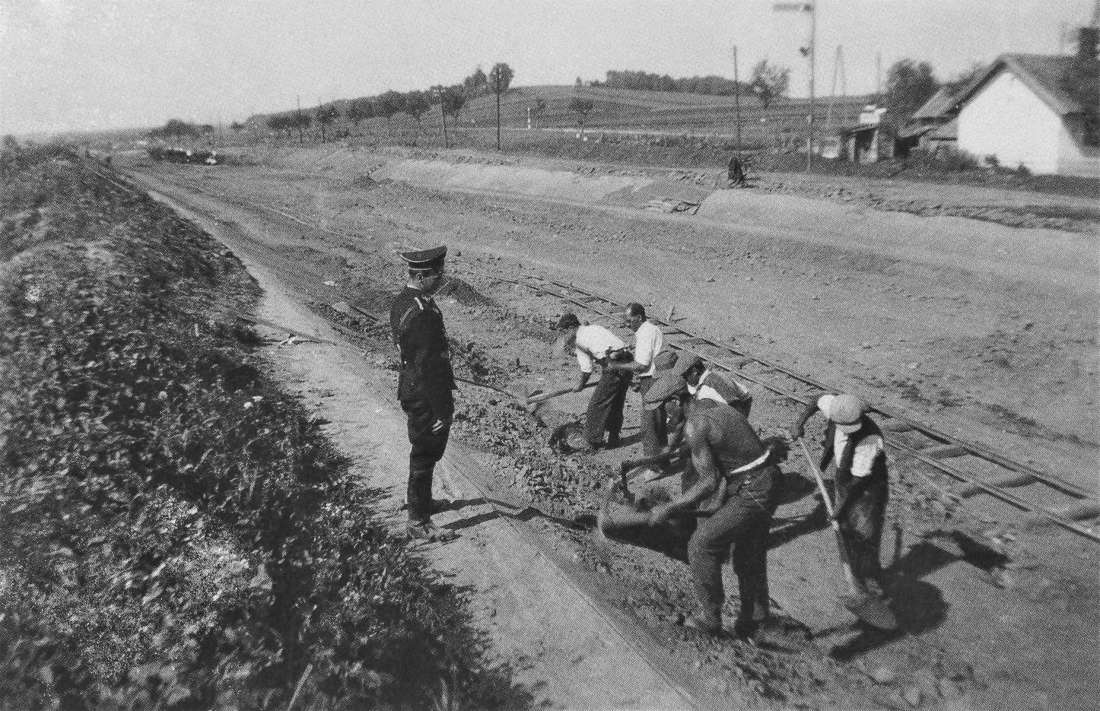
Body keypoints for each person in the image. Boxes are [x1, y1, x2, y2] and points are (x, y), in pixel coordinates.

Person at [644, 372, 780, 638]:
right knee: (746, 555)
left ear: (674, 399)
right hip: (768, 478)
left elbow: (708, 482)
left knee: (701, 544)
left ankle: (710, 618)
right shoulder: (712, 404)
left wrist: (669, 508)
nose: (663, 416)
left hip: (753, 488)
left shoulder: (696, 425)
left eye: (662, 408)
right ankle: (755, 621)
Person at [789, 393, 889, 599]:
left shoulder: (870, 438)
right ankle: (855, 577)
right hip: (844, 476)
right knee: (845, 529)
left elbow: (858, 482)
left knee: (865, 532)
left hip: (868, 487)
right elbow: (818, 399)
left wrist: (839, 508)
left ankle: (871, 581)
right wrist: (799, 423)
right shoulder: (836, 407)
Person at [389, 246, 457, 542]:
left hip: (414, 386)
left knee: (426, 451)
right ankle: (418, 521)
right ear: (421, 275)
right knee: (425, 452)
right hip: (425, 393)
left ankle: (423, 503)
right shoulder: (421, 312)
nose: (441, 278)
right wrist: (441, 409)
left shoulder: (406, 301)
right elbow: (427, 365)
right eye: (437, 274)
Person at [555, 312, 632, 451]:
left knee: (597, 404)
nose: (565, 336)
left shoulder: (579, 342)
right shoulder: (594, 328)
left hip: (613, 366)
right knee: (616, 402)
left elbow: (586, 370)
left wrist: (579, 385)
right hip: (628, 361)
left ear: (571, 328)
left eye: (565, 331)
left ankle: (591, 441)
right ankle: (614, 437)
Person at [605, 303, 665, 457]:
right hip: (653, 379)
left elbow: (642, 365)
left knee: (649, 424)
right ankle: (662, 460)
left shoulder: (646, 333)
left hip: (652, 381)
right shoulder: (648, 330)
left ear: (638, 317)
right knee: (656, 421)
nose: (626, 324)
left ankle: (654, 464)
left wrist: (617, 366)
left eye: (628, 320)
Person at [676, 354, 753, 418]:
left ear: (694, 371)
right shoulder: (698, 381)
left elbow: (737, 411)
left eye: (684, 376)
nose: (684, 380)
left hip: (735, 413)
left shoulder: (715, 384)